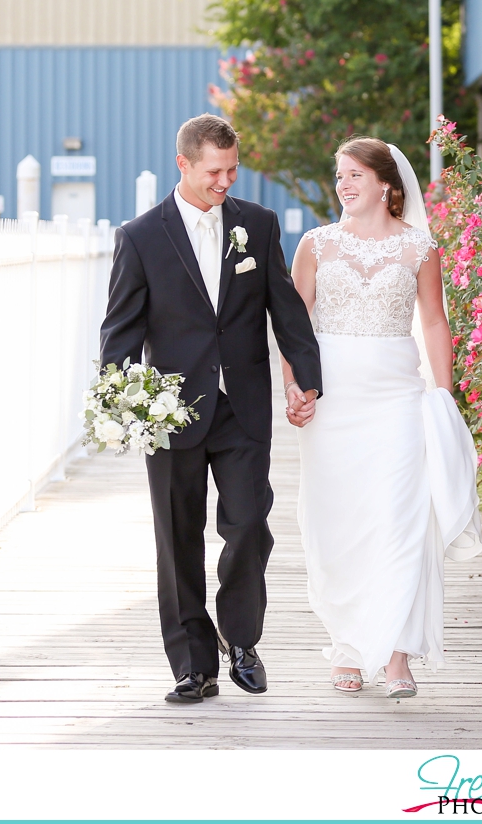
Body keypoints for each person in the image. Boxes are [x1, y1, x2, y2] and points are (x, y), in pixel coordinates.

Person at [100, 114, 323, 703]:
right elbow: (119, 334)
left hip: (243, 405)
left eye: (233, 169)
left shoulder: (259, 224)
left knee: (248, 523)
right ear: (184, 164)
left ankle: (243, 641)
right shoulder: (141, 236)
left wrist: (307, 380)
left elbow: (287, 311)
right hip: (171, 410)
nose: (226, 181)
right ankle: (193, 666)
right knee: (177, 539)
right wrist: (121, 401)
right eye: (214, 171)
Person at [282, 136, 482, 698]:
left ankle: (397, 654)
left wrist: (444, 396)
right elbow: (293, 326)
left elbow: (436, 323)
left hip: (397, 395)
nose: (343, 185)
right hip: (332, 400)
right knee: (339, 520)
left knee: (401, 518)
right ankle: (346, 644)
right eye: (339, 175)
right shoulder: (316, 245)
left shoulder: (420, 248)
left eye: (354, 176)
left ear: (386, 185)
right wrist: (295, 388)